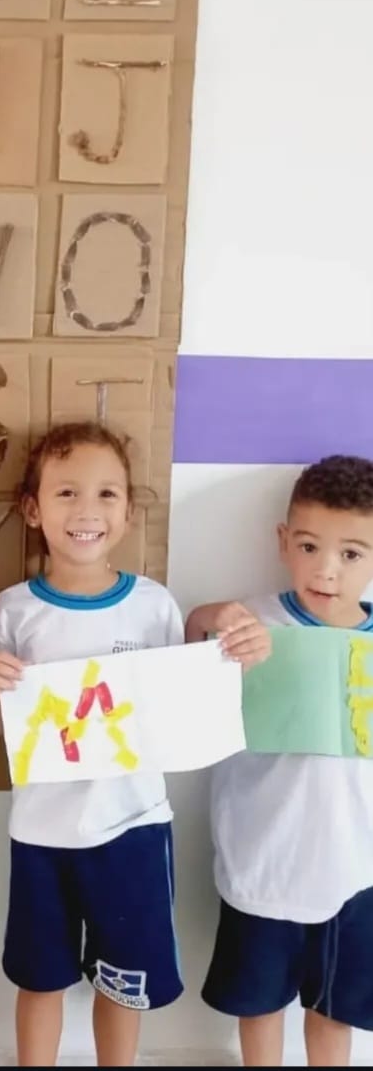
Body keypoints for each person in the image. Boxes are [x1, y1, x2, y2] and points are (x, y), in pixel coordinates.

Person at [0, 421, 269, 1067]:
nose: (87, 511)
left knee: (124, 982)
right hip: (41, 831)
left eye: (106, 494)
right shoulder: (13, 610)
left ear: (128, 513)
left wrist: (224, 636)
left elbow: (180, 698)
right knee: (39, 977)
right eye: (66, 492)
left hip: (133, 827)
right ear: (32, 509)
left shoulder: (153, 605)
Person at [188, 454, 373, 1067]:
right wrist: (214, 619)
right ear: (283, 541)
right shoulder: (254, 622)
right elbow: (189, 642)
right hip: (262, 861)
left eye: (352, 553)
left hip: (354, 868)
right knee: (260, 1005)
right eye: (309, 546)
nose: (326, 570)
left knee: (335, 1010)